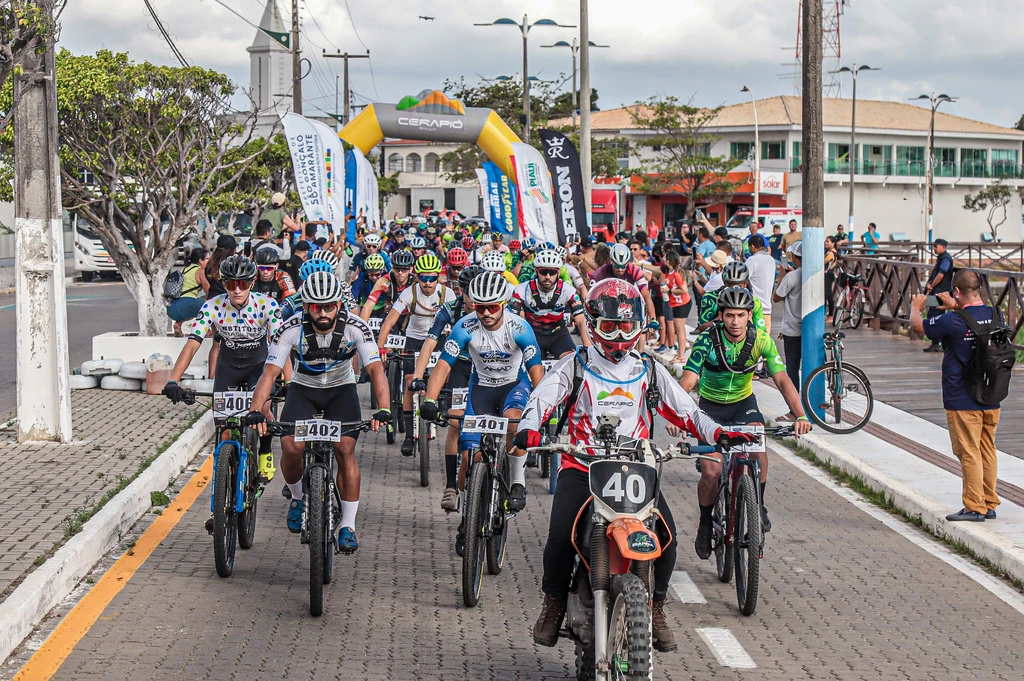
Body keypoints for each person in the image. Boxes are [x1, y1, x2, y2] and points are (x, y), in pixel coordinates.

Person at [517, 279, 760, 652]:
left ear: (639, 327)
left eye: (627, 326)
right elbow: (541, 398)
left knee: (667, 539)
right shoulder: (576, 364)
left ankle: (655, 606)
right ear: (593, 323)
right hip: (583, 466)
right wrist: (529, 428)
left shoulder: (649, 369)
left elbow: (688, 412)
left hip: (636, 470)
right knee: (559, 535)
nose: (618, 334)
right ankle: (552, 605)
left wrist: (720, 434)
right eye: (610, 325)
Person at [245, 271, 392, 552]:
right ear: (306, 306)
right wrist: (255, 410)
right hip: (303, 391)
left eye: (329, 306)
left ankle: (347, 525)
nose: (322, 312)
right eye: (315, 307)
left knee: (345, 450)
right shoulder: (289, 329)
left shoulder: (356, 328)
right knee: (290, 446)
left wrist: (384, 408)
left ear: (339, 305)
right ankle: (298, 498)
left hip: (341, 391)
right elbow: (270, 372)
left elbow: (376, 370)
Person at [680, 286, 811, 546]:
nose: (735, 321)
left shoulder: (761, 340)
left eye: (741, 315)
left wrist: (801, 416)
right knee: (710, 471)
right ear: (721, 316)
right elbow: (688, 381)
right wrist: (680, 417)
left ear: (749, 316)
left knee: (758, 444)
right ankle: (705, 522)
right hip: (710, 408)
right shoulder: (707, 340)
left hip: (743, 404)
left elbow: (783, 380)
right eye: (730, 315)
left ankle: (758, 505)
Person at [420, 271, 544, 517]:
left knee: (514, 421)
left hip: (513, 386)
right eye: (480, 307)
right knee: (469, 456)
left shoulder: (520, 328)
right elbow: (444, 364)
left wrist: (540, 410)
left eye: (492, 307)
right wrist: (430, 400)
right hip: (481, 390)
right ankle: (468, 516)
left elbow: (536, 371)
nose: (486, 313)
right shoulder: (465, 326)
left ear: (504, 304)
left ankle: (517, 482)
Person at [162, 255, 283, 489]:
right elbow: (193, 343)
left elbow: (280, 346)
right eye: (230, 284)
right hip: (228, 367)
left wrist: (284, 380)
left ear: (252, 283)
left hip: (258, 366)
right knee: (224, 430)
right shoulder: (212, 306)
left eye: (243, 284)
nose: (237, 290)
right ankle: (221, 493)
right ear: (224, 284)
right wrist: (173, 380)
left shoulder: (267, 305)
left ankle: (265, 453)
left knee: (263, 411)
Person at [911, 270, 1004, 522]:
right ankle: (989, 502)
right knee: (987, 449)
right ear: (979, 290)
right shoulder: (996, 314)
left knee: (968, 452)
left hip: (962, 397)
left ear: (957, 292)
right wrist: (956, 306)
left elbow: (919, 327)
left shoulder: (952, 321)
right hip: (991, 394)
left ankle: (975, 507)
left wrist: (917, 307)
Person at [409, 265, 482, 511]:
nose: (473, 300)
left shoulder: (495, 309)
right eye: (468, 293)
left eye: (477, 293)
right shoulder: (450, 309)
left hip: (490, 370)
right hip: (462, 368)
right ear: (460, 291)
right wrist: (418, 376)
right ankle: (451, 486)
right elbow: (430, 344)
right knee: (455, 423)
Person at [377, 254, 455, 456]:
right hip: (414, 339)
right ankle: (410, 437)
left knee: (444, 376)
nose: (428, 283)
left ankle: (440, 406)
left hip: (439, 340)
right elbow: (389, 322)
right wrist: (380, 348)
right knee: (410, 382)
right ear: (417, 277)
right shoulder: (408, 293)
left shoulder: (448, 294)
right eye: (423, 278)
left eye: (432, 278)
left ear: (438, 277)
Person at [510, 249, 590, 360]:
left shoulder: (568, 290)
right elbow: (512, 320)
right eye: (543, 272)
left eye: (552, 272)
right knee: (533, 368)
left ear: (558, 273)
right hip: (532, 335)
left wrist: (587, 348)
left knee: (571, 362)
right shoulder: (521, 290)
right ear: (536, 271)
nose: (547, 276)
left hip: (559, 335)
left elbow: (581, 320)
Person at [592, 243, 657, 327]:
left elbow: (646, 297)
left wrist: (653, 319)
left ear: (627, 263)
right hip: (607, 306)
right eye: (616, 266)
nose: (620, 269)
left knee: (640, 330)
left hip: (627, 305)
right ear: (611, 261)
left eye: (623, 266)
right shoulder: (601, 271)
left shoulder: (635, 270)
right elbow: (592, 295)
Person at [773, 241, 804, 413]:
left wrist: (781, 277)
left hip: (792, 330)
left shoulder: (790, 277)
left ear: (794, 258)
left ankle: (794, 409)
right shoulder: (809, 274)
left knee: (792, 368)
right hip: (808, 328)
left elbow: (776, 297)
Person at [166, 247, 210, 336]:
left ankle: (178, 324)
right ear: (201, 260)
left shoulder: (184, 269)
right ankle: (208, 330)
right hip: (186, 305)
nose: (210, 262)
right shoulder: (200, 271)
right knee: (209, 301)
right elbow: (209, 292)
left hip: (171, 308)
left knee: (194, 305)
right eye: (208, 259)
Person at [923, 238, 954, 352]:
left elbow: (941, 274)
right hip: (936, 291)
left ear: (943, 247)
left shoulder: (945, 258)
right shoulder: (940, 258)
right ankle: (936, 342)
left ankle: (938, 342)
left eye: (936, 246)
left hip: (941, 292)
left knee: (936, 314)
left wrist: (931, 284)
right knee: (931, 313)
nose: (934, 249)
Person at [743, 234, 778, 334]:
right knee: (765, 343)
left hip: (754, 309)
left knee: (752, 343)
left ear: (753, 246)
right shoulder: (771, 260)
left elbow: (743, 278)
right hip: (767, 310)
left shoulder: (752, 260)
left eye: (749, 247)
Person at [663, 248, 692, 363]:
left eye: (665, 258)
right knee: (679, 329)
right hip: (676, 304)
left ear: (668, 261)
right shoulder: (668, 272)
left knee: (679, 330)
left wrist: (669, 290)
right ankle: (681, 352)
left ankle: (681, 356)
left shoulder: (676, 274)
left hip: (682, 304)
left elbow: (684, 290)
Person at [824, 236, 838, 323]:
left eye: (828, 241)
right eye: (825, 241)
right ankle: (829, 314)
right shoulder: (828, 252)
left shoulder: (831, 253)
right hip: (827, 274)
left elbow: (823, 261)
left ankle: (830, 315)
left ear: (833, 243)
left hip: (828, 274)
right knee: (827, 294)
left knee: (827, 294)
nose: (826, 243)